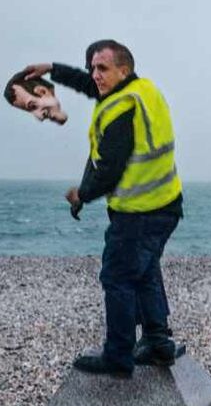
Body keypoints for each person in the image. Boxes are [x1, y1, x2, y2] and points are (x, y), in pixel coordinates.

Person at [22, 40, 183, 377]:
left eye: (102, 68)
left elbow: (109, 170)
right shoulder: (141, 90)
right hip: (166, 205)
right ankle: (158, 343)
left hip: (139, 212)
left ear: (124, 70)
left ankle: (118, 358)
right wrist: (51, 68)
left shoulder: (121, 108)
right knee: (145, 271)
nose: (95, 75)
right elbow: (87, 84)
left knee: (118, 277)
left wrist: (81, 194)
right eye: (92, 67)